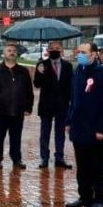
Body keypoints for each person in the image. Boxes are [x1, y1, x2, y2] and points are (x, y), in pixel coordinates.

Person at [66, 41, 103, 207]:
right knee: (82, 166)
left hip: (96, 129)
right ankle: (85, 197)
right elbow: (73, 99)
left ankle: (100, 199)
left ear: (94, 54)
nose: (80, 54)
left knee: (97, 166)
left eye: (84, 52)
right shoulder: (78, 71)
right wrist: (69, 121)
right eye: (79, 51)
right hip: (79, 128)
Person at [0, 43, 33, 169]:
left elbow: (29, 91)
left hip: (18, 110)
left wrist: (28, 107)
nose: (12, 52)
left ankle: (16, 159)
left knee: (16, 136)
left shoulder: (23, 71)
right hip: (0, 110)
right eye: (9, 50)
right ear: (3, 53)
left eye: (14, 51)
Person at [33, 41, 73, 169]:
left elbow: (70, 86)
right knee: (45, 132)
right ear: (48, 50)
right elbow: (37, 84)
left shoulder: (68, 66)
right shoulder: (42, 65)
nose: (55, 50)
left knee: (60, 133)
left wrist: (71, 102)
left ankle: (59, 158)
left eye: (57, 48)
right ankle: (44, 158)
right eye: (52, 48)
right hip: (46, 104)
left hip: (62, 105)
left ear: (61, 49)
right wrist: (40, 72)